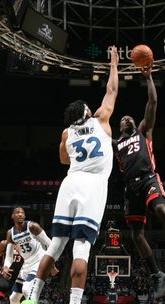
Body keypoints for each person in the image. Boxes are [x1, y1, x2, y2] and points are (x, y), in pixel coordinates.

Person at [23, 46, 120, 304]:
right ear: (88, 111)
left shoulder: (66, 133)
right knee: (81, 248)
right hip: (92, 186)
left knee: (56, 244)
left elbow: (63, 159)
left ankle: (32, 297)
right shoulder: (101, 120)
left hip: (70, 183)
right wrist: (113, 64)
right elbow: (111, 91)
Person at [114, 69, 165, 298]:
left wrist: (148, 76)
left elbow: (153, 101)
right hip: (130, 188)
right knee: (135, 234)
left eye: (129, 117)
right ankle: (157, 275)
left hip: (148, 178)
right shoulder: (115, 144)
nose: (126, 119)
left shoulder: (143, 132)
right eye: (122, 119)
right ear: (120, 127)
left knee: (161, 208)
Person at [2, 207, 53, 303]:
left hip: (39, 261)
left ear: (24, 216)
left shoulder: (33, 226)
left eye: (22, 212)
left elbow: (50, 244)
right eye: (17, 212)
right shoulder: (10, 233)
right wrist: (6, 267)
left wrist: (51, 264)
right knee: (13, 298)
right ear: (12, 216)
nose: (20, 214)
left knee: (26, 289)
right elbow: (9, 256)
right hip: (25, 265)